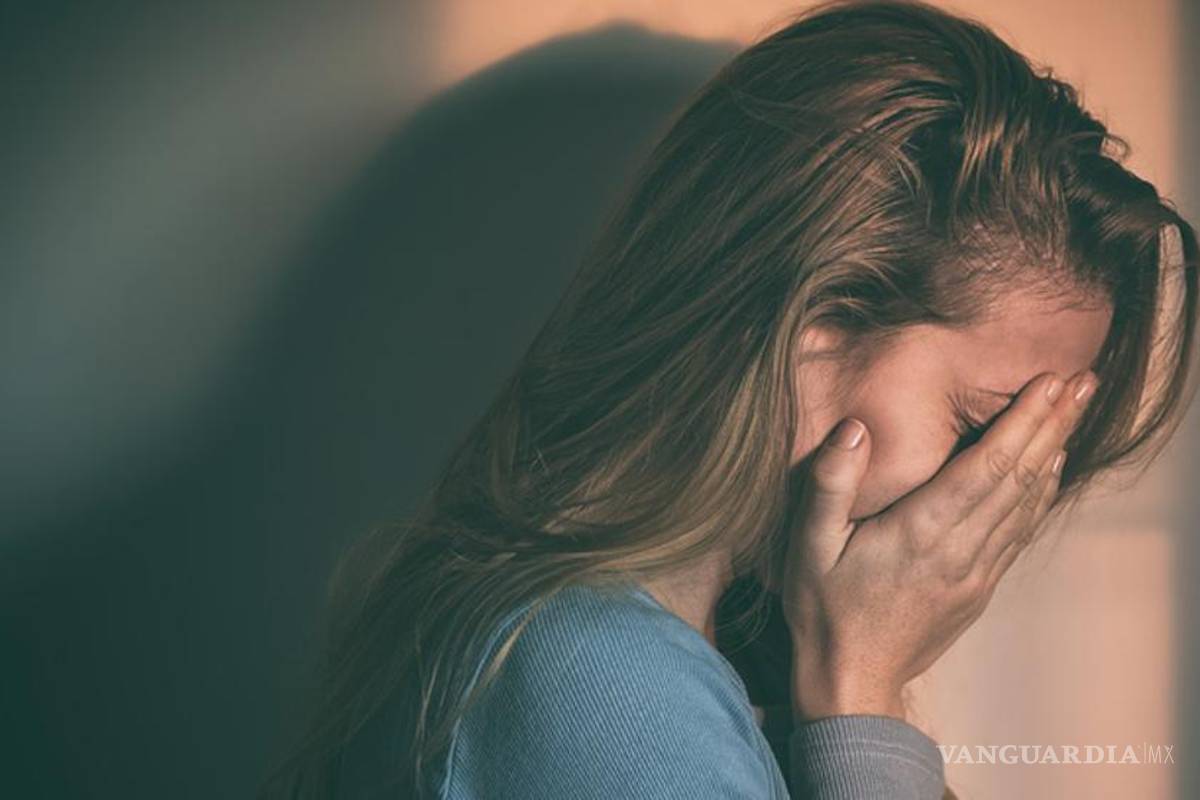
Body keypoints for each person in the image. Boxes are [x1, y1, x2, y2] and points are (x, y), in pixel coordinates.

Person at [261, 0, 1199, 797]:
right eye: (983, 426)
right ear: (815, 315)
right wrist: (861, 690)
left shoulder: (668, 654)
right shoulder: (594, 677)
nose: (1000, 496)